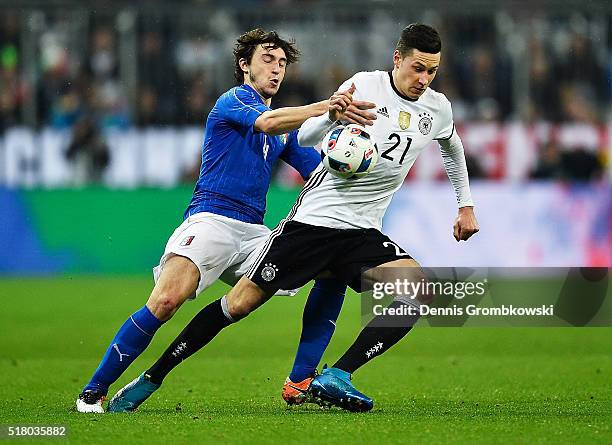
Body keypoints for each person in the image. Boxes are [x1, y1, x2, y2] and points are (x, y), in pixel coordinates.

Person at [109, 23, 479, 413]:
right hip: (311, 225)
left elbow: (452, 146)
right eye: (417, 68)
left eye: (431, 71)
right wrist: (331, 115)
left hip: (362, 230)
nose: (423, 79)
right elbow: (305, 138)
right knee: (236, 306)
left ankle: (337, 375)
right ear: (397, 58)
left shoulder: (437, 108)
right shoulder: (365, 86)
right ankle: (153, 376)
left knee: (416, 288)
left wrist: (466, 205)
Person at [76, 27, 375, 413]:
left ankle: (299, 380)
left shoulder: (285, 131)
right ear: (244, 65)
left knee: (330, 265)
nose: (276, 69)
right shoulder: (234, 100)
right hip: (211, 220)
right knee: (166, 300)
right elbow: (267, 124)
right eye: (267, 59)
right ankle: (93, 390)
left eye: (282, 63)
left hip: (254, 235)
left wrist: (358, 161)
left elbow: (319, 170)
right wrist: (325, 108)